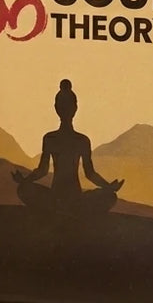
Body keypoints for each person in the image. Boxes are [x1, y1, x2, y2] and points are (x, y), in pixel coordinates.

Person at [13, 79, 123, 215]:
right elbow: (89, 173)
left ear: (56, 108)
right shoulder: (75, 140)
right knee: (109, 196)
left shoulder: (59, 139)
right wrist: (108, 187)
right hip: (65, 199)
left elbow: (43, 170)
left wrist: (24, 181)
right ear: (75, 108)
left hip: (64, 199)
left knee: (24, 189)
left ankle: (58, 209)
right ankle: (70, 210)